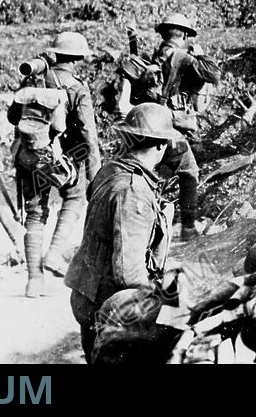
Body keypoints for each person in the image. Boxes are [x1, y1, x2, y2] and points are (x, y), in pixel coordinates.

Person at [64, 103, 176, 362]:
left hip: (89, 297)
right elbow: (128, 272)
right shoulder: (134, 189)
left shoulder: (110, 170)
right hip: (108, 310)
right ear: (161, 145)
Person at [10, 31, 101, 297]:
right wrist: (94, 175)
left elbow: (12, 117)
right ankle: (55, 253)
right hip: (65, 160)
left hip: (30, 156)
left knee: (35, 214)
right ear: (77, 59)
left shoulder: (34, 83)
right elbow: (88, 136)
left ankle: (33, 281)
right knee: (74, 199)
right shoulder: (77, 89)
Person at [117, 14, 220, 240]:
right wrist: (200, 53)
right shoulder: (182, 57)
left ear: (163, 34)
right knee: (189, 171)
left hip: (144, 125)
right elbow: (213, 74)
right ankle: (188, 228)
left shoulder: (154, 57)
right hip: (168, 128)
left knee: (150, 173)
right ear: (183, 34)